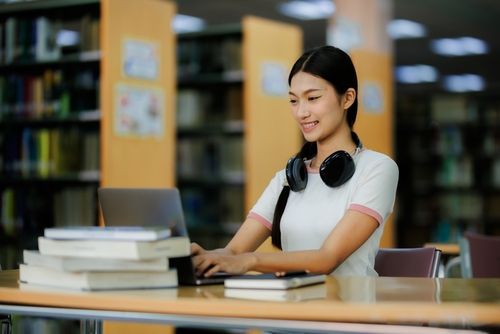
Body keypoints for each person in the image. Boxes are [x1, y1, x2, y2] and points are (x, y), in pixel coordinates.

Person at [192, 45, 399, 277]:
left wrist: (250, 261)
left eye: (312, 98)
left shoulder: (377, 168)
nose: (301, 112)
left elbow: (327, 258)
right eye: (293, 101)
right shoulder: (288, 178)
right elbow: (233, 251)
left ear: (347, 98)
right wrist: (206, 257)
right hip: (294, 306)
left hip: (347, 309)